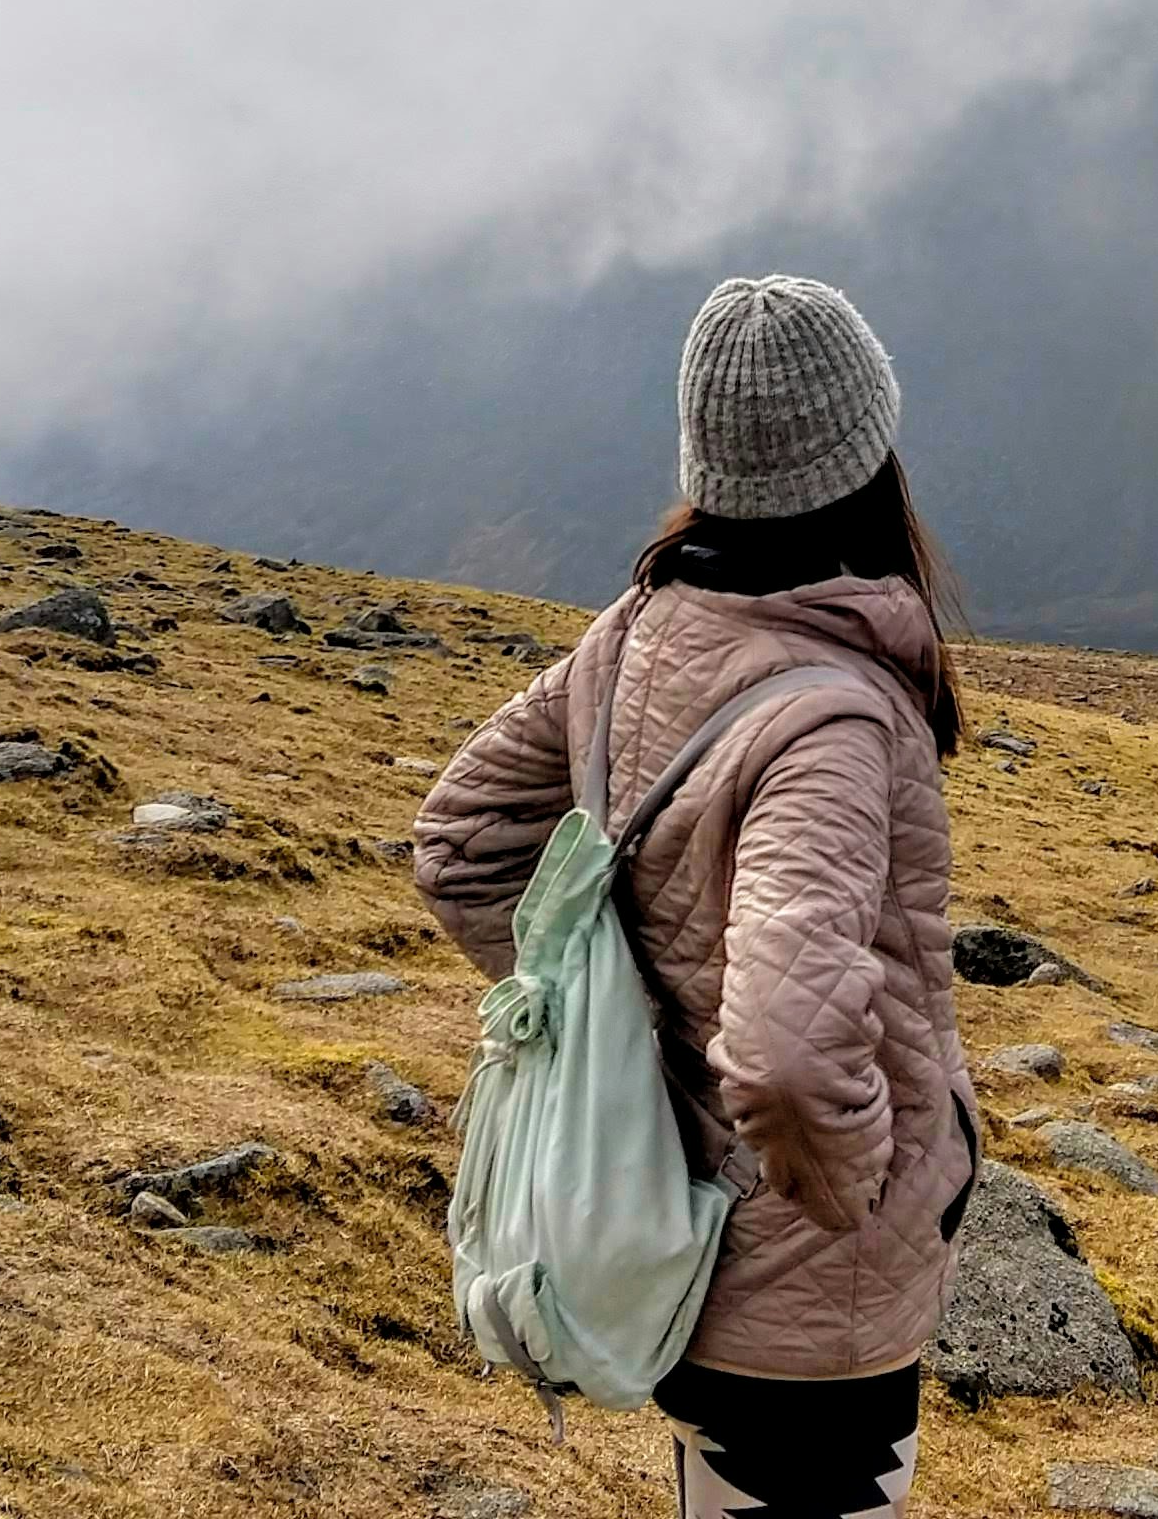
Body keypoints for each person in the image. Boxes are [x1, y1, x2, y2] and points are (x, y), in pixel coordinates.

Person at [414, 273, 973, 1519]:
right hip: (803, 1294)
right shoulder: (828, 719)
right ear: (866, 450)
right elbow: (778, 1057)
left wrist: (622, 1042)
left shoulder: (639, 627)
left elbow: (458, 843)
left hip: (672, 1231)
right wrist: (843, 1194)